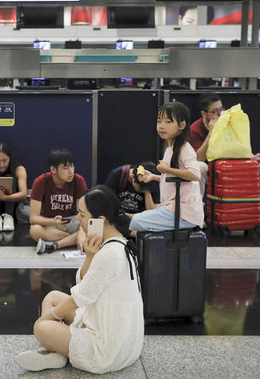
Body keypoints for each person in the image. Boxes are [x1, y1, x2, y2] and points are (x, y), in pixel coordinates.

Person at [15, 186, 144, 373]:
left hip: (106, 350)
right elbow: (84, 286)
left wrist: (49, 318)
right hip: (119, 338)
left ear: (99, 221)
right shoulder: (118, 244)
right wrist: (90, 257)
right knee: (52, 296)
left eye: (82, 215)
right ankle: (53, 352)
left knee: (41, 328)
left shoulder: (110, 254)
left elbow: (80, 297)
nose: (77, 219)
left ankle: (52, 351)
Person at [128, 102, 204, 234]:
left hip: (184, 213)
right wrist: (154, 176)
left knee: (135, 222)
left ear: (182, 125)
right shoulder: (171, 148)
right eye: (159, 121)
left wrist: (166, 170)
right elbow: (175, 178)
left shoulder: (184, 148)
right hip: (174, 210)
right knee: (136, 221)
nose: (162, 126)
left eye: (168, 122)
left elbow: (195, 174)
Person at [190, 93, 260, 198]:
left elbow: (238, 147)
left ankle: (255, 205)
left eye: (221, 109)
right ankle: (198, 208)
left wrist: (251, 157)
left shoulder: (228, 123)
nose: (220, 114)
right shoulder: (195, 129)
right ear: (204, 114)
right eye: (215, 112)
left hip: (229, 165)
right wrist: (211, 133)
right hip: (209, 168)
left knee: (257, 168)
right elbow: (198, 159)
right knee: (199, 167)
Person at [30, 148, 87, 254]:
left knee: (90, 226)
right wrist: (52, 221)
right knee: (35, 230)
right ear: (53, 169)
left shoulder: (79, 180)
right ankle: (73, 240)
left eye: (72, 166)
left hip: (73, 221)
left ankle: (56, 245)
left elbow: (83, 213)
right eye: (66, 168)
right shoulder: (40, 182)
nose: (71, 171)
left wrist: (82, 230)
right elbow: (33, 218)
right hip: (50, 222)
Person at [104, 161, 160, 234]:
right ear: (133, 177)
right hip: (118, 223)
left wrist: (147, 193)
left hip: (139, 224)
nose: (143, 191)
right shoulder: (118, 175)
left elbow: (152, 215)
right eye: (142, 189)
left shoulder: (151, 181)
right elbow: (106, 205)